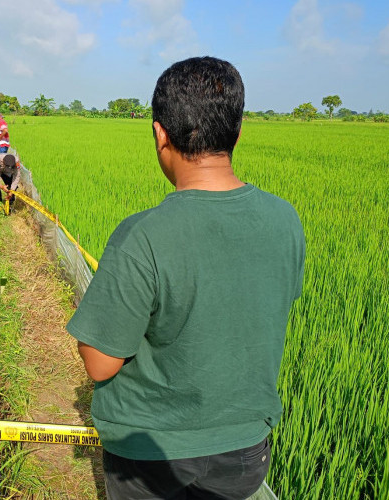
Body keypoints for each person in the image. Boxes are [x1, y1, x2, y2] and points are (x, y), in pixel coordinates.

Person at [66, 57, 305, 500]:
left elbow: (100, 364)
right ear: (238, 130)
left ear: (160, 133)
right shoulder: (285, 220)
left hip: (152, 455)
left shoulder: (143, 235)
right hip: (246, 451)